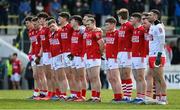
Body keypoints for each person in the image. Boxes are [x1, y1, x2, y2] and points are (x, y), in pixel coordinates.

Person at [148, 9, 167, 105]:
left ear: (155, 16)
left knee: (160, 77)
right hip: (151, 54)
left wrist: (159, 55)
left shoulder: (159, 26)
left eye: (150, 15)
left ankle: (163, 98)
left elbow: (162, 41)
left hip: (158, 55)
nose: (148, 16)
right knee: (155, 78)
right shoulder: (152, 26)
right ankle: (158, 98)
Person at [48, 19, 68, 101]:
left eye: (53, 25)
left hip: (60, 55)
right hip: (53, 57)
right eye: (50, 27)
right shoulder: (51, 34)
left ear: (56, 24)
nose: (51, 28)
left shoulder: (60, 32)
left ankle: (63, 94)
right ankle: (58, 93)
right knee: (55, 76)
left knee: (62, 76)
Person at [129, 12, 147, 104]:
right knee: (136, 77)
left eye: (132, 19)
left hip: (140, 56)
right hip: (134, 56)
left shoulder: (143, 30)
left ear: (137, 19)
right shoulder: (134, 30)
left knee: (141, 77)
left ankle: (142, 97)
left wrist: (144, 54)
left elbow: (147, 42)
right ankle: (138, 96)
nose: (130, 20)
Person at [117, 8, 134, 102]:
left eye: (118, 16)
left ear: (120, 16)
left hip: (127, 52)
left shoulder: (129, 25)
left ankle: (129, 96)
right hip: (120, 52)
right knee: (122, 74)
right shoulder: (122, 27)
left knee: (127, 74)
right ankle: (125, 96)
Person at [85, 18, 104, 102]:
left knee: (96, 77)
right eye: (86, 25)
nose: (87, 26)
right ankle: (93, 96)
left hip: (95, 57)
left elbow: (101, 43)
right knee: (91, 78)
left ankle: (98, 97)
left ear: (94, 23)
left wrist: (100, 53)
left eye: (89, 24)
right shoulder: (88, 32)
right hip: (89, 56)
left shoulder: (97, 32)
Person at [104, 17, 123, 102]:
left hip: (114, 58)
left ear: (113, 24)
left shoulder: (118, 33)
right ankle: (116, 96)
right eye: (105, 25)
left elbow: (120, 46)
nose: (106, 26)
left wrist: (118, 57)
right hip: (108, 58)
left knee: (115, 77)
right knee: (110, 78)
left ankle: (119, 96)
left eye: (107, 25)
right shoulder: (108, 33)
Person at [58, 12, 76, 100]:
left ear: (65, 18)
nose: (58, 19)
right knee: (68, 75)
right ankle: (72, 94)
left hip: (70, 53)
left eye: (60, 17)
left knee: (72, 75)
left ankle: (76, 94)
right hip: (64, 53)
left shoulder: (70, 27)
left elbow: (79, 30)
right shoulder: (61, 29)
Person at [70, 15, 87, 101]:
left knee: (81, 77)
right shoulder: (74, 31)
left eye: (71, 21)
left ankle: (83, 96)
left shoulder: (82, 30)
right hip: (74, 56)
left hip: (80, 56)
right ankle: (77, 95)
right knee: (75, 77)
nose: (70, 22)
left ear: (76, 21)